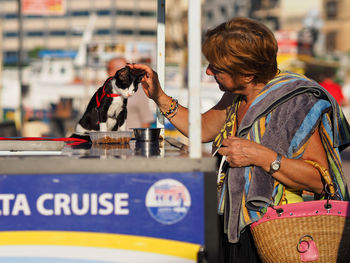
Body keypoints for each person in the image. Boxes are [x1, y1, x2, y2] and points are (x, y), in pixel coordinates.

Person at [128, 17, 350, 262]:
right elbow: (202, 129)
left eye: (217, 68)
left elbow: (320, 179)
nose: (208, 71)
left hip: (272, 231)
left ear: (246, 74)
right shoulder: (236, 96)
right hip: (227, 225)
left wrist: (261, 156)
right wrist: (159, 95)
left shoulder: (296, 103)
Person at [106, 56, 154, 129]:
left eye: (110, 69)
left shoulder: (138, 91)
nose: (107, 72)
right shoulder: (106, 90)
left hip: (131, 139)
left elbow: (146, 121)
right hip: (110, 139)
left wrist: (138, 139)